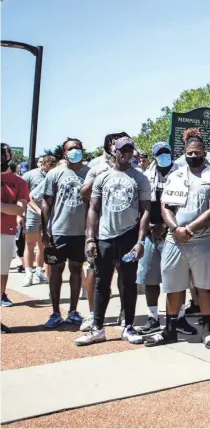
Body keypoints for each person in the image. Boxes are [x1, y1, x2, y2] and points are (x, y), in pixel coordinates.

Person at [145, 133, 210, 347]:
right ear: (184, 154)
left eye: (198, 153)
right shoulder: (176, 176)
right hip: (174, 240)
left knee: (205, 286)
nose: (194, 156)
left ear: (205, 154)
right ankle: (170, 329)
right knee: (173, 286)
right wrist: (175, 228)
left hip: (204, 239)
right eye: (190, 153)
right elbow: (166, 206)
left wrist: (188, 228)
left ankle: (207, 330)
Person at [76, 136, 151, 346]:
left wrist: (140, 241)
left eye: (130, 150)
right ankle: (97, 327)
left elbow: (146, 210)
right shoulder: (102, 177)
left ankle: (128, 326)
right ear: (114, 152)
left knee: (128, 282)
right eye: (122, 150)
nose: (126, 154)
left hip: (129, 236)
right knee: (102, 282)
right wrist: (91, 238)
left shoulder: (141, 179)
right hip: (105, 237)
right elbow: (93, 208)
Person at [80, 132, 130, 330]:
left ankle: (125, 313)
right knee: (97, 272)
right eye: (113, 144)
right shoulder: (97, 167)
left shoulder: (131, 168)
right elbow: (84, 194)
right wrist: (101, 178)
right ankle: (94, 315)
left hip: (125, 230)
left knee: (124, 273)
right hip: (101, 229)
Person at [41, 139, 90, 328]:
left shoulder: (89, 174)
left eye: (78, 148)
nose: (75, 151)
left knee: (76, 270)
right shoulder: (55, 174)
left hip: (81, 232)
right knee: (56, 271)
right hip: (58, 231)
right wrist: (45, 229)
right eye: (71, 148)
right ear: (64, 152)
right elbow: (47, 202)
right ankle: (55, 312)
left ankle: (73, 311)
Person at [135, 142, 178, 335]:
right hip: (151, 232)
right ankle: (153, 317)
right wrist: (151, 226)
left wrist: (166, 225)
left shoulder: (180, 174)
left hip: (172, 232)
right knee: (150, 277)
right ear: (154, 157)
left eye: (166, 153)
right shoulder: (145, 177)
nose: (164, 156)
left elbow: (181, 205)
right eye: (159, 154)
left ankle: (178, 318)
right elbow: (142, 204)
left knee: (176, 279)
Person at [1, 143, 29, 332]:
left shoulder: (19, 182)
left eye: (4, 154)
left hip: (6, 231)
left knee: (2, 274)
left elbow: (20, 208)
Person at [21, 154, 56, 286]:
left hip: (47, 215)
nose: (49, 170)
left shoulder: (54, 175)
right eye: (47, 167)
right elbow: (26, 196)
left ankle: (38, 271)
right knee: (30, 243)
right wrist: (23, 214)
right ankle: (28, 272)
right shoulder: (30, 175)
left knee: (43, 244)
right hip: (33, 212)